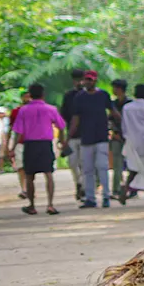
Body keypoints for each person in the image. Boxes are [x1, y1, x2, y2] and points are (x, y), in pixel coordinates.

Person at [8, 84, 66, 216]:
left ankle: (32, 205)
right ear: (43, 94)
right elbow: (61, 126)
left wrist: (12, 148)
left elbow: (18, 132)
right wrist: (62, 142)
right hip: (45, 144)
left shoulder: (23, 110)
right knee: (48, 174)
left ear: (30, 95)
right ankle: (50, 205)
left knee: (29, 176)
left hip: (30, 145)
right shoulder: (51, 109)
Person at [66, 71, 118, 209]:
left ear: (95, 81)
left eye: (91, 80)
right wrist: (69, 136)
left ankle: (106, 196)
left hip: (101, 137)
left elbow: (113, 112)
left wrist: (119, 127)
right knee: (87, 169)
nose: (88, 82)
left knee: (102, 167)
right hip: (86, 138)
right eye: (86, 80)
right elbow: (75, 118)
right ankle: (90, 198)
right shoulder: (79, 97)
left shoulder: (103, 95)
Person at [59, 70, 87, 202]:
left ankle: (84, 187)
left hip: (87, 134)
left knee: (84, 162)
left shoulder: (89, 95)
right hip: (72, 134)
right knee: (73, 163)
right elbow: (63, 117)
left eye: (81, 79)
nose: (79, 82)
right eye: (77, 80)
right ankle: (79, 183)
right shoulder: (68, 96)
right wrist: (63, 136)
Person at [121, 84, 144, 202]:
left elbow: (124, 126)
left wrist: (126, 137)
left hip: (131, 140)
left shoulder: (127, 108)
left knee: (133, 167)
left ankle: (125, 190)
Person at [107, 79, 130, 203]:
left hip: (129, 138)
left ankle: (129, 188)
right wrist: (113, 133)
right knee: (117, 164)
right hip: (116, 138)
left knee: (132, 164)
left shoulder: (129, 103)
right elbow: (109, 121)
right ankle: (116, 189)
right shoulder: (112, 104)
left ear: (119, 89)